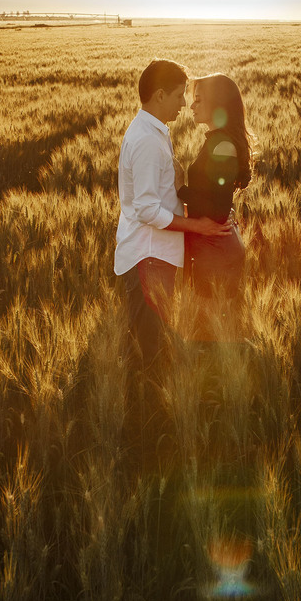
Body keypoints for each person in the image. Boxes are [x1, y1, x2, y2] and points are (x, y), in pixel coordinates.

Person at [115, 59, 231, 388]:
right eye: (180, 95)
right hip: (148, 259)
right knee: (151, 355)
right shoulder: (148, 141)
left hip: (153, 256)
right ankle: (146, 426)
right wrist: (200, 227)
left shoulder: (152, 131)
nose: (184, 103)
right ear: (160, 95)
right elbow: (149, 209)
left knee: (151, 348)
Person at [177, 73, 253, 343]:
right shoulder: (216, 140)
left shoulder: (222, 145)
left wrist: (180, 189)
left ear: (217, 104)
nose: (191, 106)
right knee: (211, 335)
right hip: (211, 250)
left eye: (198, 100)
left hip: (217, 254)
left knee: (215, 337)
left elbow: (220, 210)